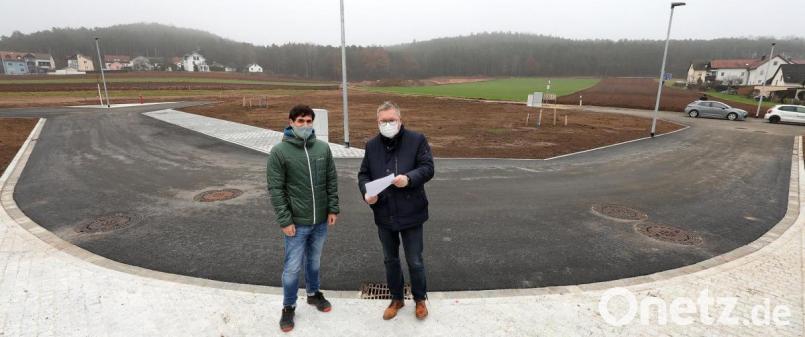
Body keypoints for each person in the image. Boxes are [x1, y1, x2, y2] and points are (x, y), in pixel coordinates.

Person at [358, 101, 435, 320]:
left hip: (411, 211)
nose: (387, 124)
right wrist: (366, 192)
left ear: (400, 120)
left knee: (415, 260)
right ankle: (396, 298)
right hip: (384, 212)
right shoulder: (372, 146)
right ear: (377, 122)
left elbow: (428, 168)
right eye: (383, 121)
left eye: (391, 120)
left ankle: (420, 299)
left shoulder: (417, 140)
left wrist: (409, 179)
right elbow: (363, 174)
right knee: (390, 260)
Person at [267, 104, 339, 332]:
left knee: (314, 261)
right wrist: (285, 220)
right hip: (296, 224)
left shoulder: (322, 149)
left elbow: (331, 180)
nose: (305, 125)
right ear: (291, 123)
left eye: (309, 121)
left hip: (320, 221)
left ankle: (313, 293)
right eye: (300, 121)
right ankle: (288, 306)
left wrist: (332, 209)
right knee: (292, 268)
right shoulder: (279, 152)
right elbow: (276, 189)